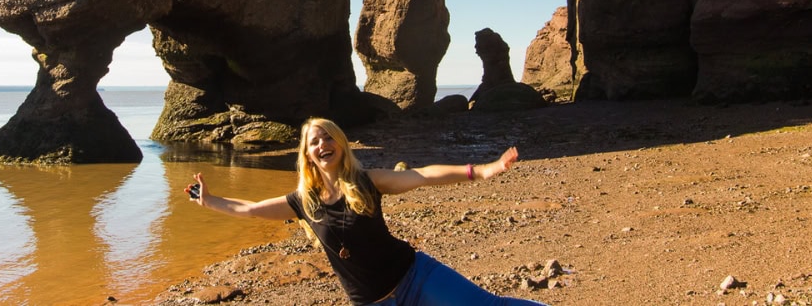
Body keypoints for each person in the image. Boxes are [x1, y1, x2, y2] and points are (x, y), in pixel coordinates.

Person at [185, 117, 548, 306]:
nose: (323, 144)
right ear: (308, 155)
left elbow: (421, 176)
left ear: (340, 144)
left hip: (414, 277)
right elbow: (248, 208)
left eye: (328, 137)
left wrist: (483, 170)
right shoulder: (302, 201)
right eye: (315, 141)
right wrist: (210, 200)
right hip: (370, 301)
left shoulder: (367, 180)